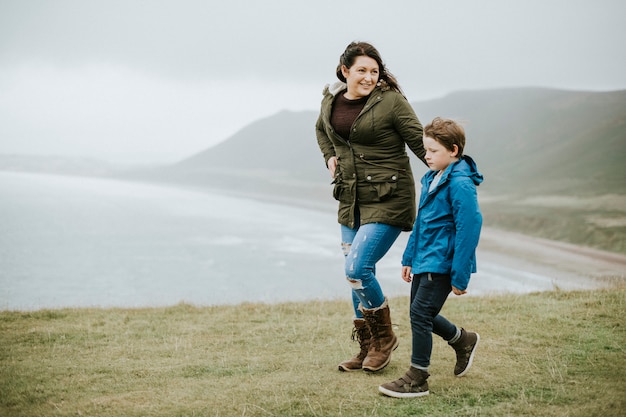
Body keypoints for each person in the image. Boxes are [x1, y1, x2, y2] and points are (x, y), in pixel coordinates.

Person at [315, 41, 426, 373]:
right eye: (361, 70)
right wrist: (329, 156)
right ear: (345, 70)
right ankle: (368, 347)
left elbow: (420, 142)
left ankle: (385, 339)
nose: (368, 77)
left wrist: (454, 170)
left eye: (374, 71)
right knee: (357, 275)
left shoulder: (391, 102)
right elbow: (321, 131)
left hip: (389, 198)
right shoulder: (330, 102)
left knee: (356, 268)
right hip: (351, 199)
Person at [378, 117, 483, 398]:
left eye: (433, 150)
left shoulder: (460, 182)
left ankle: (418, 377)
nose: (427, 155)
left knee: (420, 314)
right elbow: (423, 222)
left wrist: (459, 274)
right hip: (425, 258)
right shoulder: (432, 177)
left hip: (443, 261)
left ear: (454, 150)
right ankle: (463, 340)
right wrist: (408, 256)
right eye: (425, 150)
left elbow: (469, 228)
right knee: (421, 312)